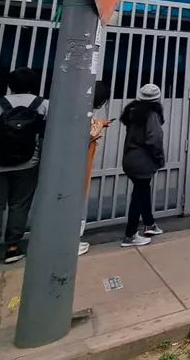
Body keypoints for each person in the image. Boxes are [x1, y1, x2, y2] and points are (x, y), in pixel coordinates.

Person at [0, 67, 48, 270]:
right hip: (28, 163)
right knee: (20, 205)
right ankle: (12, 248)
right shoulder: (43, 105)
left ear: (10, 85)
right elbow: (44, 138)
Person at [119, 84, 165, 247]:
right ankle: (130, 234)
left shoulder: (133, 112)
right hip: (143, 160)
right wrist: (159, 158)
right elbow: (155, 139)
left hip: (130, 158)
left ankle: (149, 224)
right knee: (138, 196)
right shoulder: (151, 115)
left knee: (143, 190)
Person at [80, 81, 112, 256]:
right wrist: (99, 125)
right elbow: (90, 133)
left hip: (75, 163)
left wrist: (100, 122)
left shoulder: (78, 110)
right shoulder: (83, 112)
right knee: (74, 199)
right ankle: (69, 240)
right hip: (78, 164)